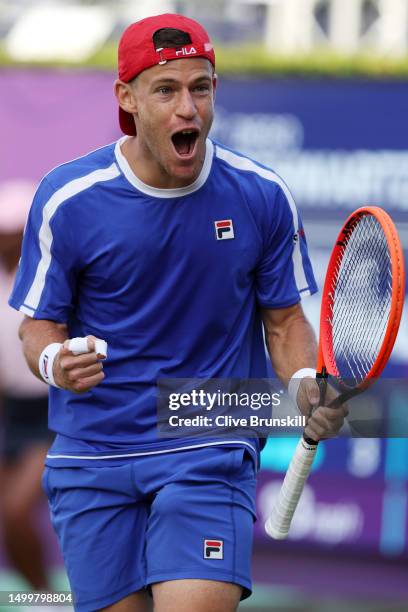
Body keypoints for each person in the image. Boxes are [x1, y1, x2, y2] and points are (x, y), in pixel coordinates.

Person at [9, 13, 347, 612]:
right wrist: (57, 361)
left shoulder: (260, 193)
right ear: (128, 99)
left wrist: (302, 383)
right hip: (93, 454)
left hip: (207, 443)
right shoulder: (68, 198)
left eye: (201, 87)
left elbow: (286, 321)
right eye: (166, 89)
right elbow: (38, 325)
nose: (188, 108)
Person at [0, 181, 54, 591]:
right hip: (10, 412)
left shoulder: (50, 277)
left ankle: (51, 597)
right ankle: (46, 598)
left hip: (53, 409)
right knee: (10, 519)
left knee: (17, 511)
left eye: (15, 232)